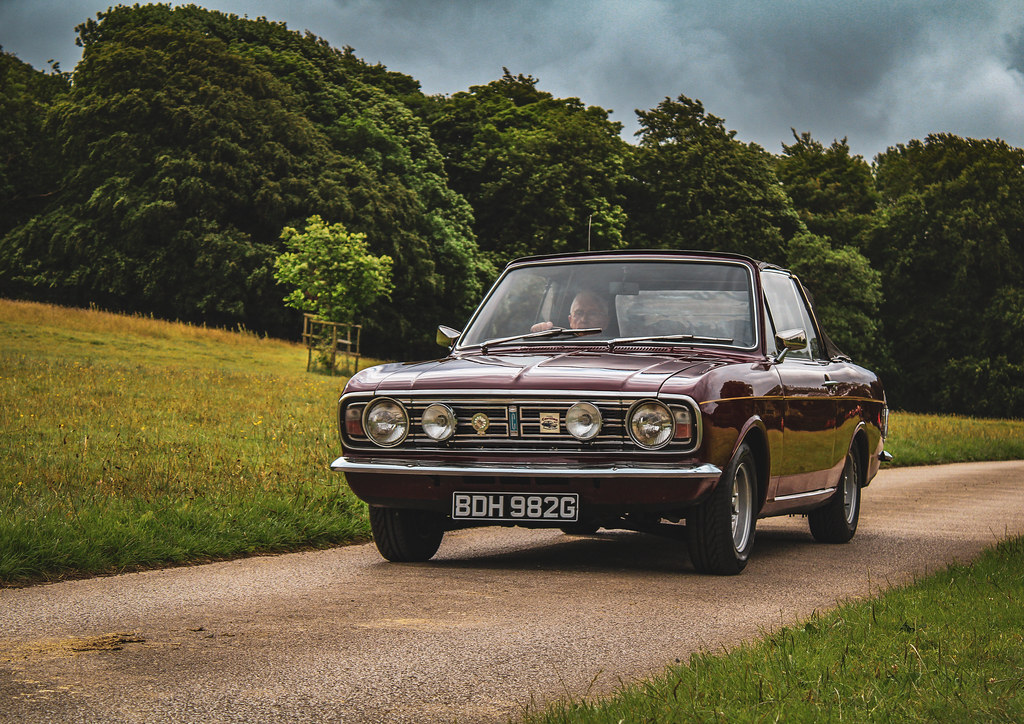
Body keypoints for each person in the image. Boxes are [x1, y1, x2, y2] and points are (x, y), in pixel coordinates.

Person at [531, 290, 610, 332]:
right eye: (579, 313)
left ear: (605, 322)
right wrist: (539, 334)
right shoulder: (558, 346)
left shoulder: (614, 346)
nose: (584, 320)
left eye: (592, 314)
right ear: (570, 320)